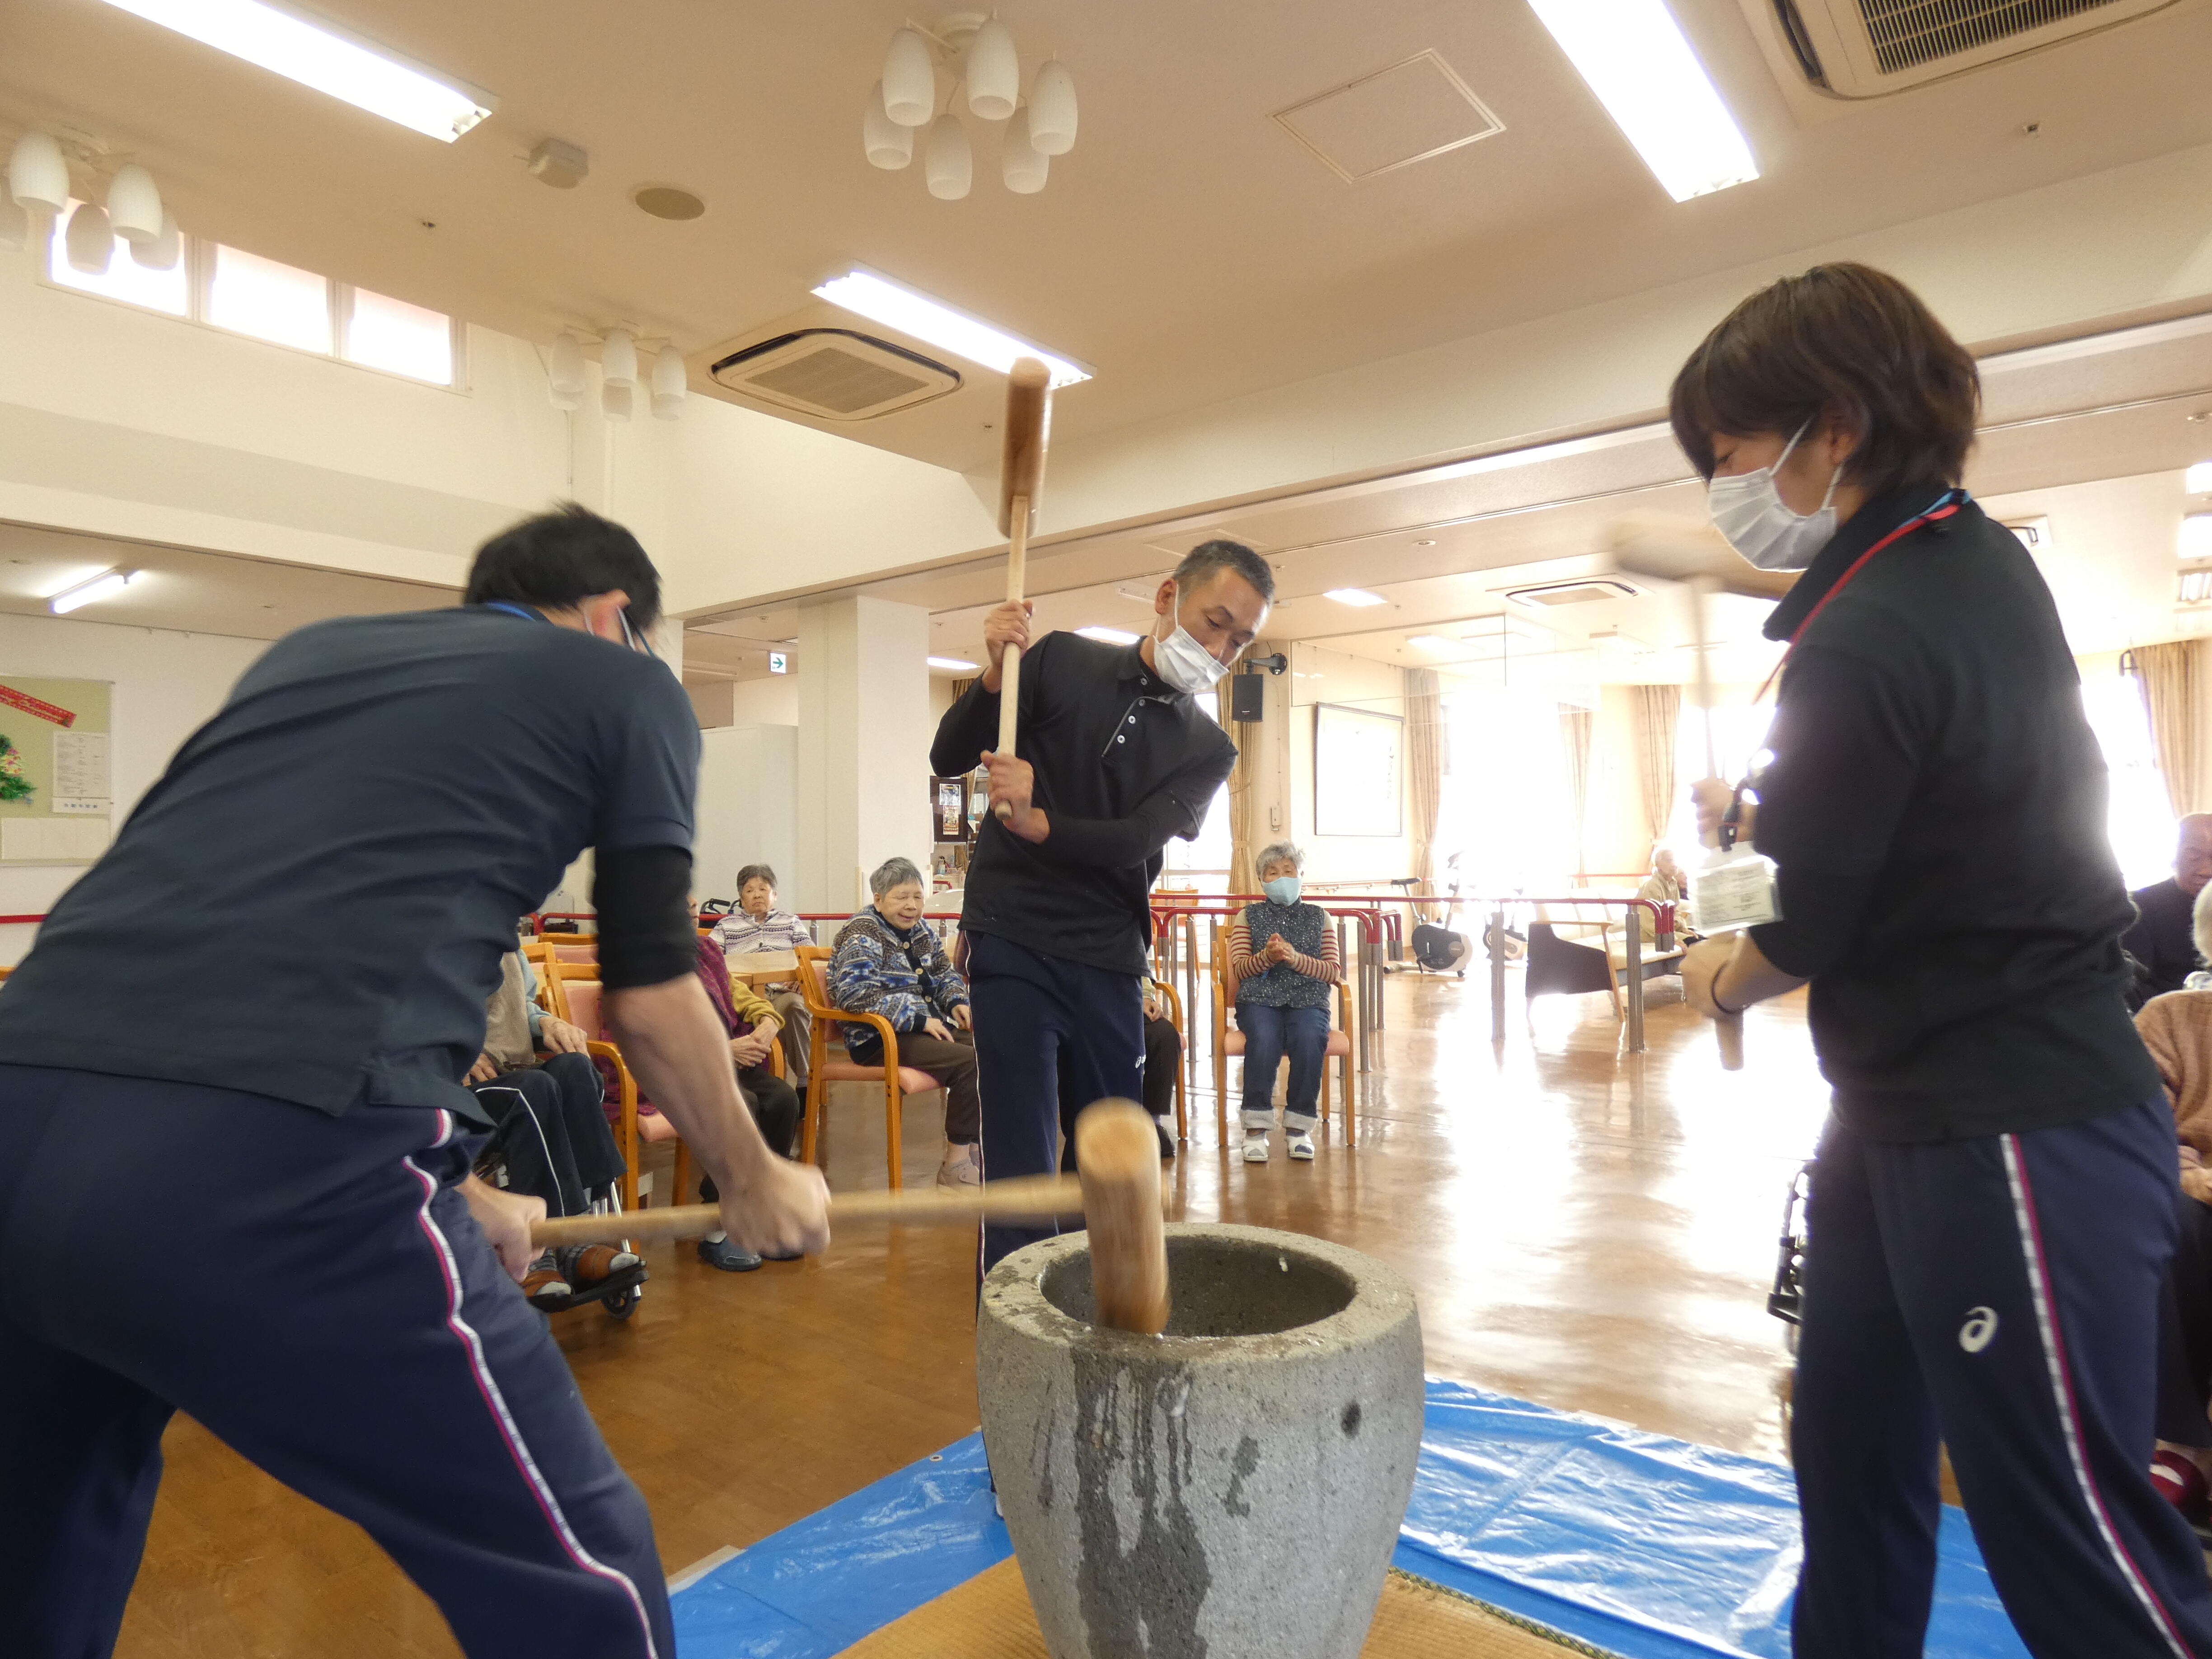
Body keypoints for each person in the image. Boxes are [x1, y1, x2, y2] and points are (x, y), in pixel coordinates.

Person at [0, 503, 830, 1659]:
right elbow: (647, 990)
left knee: (37, 1563)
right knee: (582, 1567)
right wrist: (754, 1171)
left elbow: (224, 945)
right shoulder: (626, 685)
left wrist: (451, 1184)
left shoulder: (310, 655)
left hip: (20, 1113)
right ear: (611, 618)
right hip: (281, 1167)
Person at [1671, 263, 2212, 1656]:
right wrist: (1744, 865)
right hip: (1897, 1117)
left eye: (1729, 455)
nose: (1724, 489)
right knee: (1851, 1455)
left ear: (1831, 428)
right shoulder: (1954, 565)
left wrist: (1708, 973)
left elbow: (1797, 933)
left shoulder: (1882, 619)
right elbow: (1869, 849)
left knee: (2076, 1541)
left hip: (2011, 1125)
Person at [931, 540, 1266, 1273]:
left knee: (1111, 1165)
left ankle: (1106, 1337)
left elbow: (1135, 839)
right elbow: (947, 753)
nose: (1219, 648)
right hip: (1012, 938)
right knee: (1019, 1168)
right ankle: (1018, 1354)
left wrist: (1038, 819)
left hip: (1109, 954)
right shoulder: (1057, 659)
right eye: (1213, 623)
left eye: (1240, 640)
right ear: (1166, 596)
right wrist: (993, 672)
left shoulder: (1208, 746)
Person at [469, 947, 633, 1304]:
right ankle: (541, 1251)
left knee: (576, 1070)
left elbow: (520, 1005)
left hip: (511, 1068)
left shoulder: (503, 929)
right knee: (534, 1090)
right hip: (451, 1083)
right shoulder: (416, 925)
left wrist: (546, 1022)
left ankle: (584, 1233)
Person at [827, 857, 980, 1188]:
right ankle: (955, 1165)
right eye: (901, 898)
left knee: (995, 1049)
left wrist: (957, 1001)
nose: (912, 906)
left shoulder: (921, 930)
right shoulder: (862, 932)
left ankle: (974, 1147)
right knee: (970, 1062)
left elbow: (943, 973)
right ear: (879, 900)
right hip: (877, 1037)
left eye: (917, 897)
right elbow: (855, 996)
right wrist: (917, 1019)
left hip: (923, 1028)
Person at [2135, 881, 2212, 1518]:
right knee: (2164, 1216)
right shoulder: (2169, 1017)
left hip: (2198, 1176)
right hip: (2184, 1193)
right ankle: (2184, 1442)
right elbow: (2139, 1129)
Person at [685, 929, 807, 1272]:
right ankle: (718, 1223)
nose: (692, 905)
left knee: (783, 1099)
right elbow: (652, 1036)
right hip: (681, 1070)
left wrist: (768, 1023)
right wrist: (723, 1049)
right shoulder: (641, 959)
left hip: (724, 1064)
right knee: (744, 1104)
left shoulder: (704, 950)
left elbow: (741, 995)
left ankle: (762, 1207)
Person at [1227, 842, 1343, 1164]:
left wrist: (1295, 958)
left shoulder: (1320, 917)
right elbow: (1239, 969)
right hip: (1259, 1001)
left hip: (1308, 1001)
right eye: (1272, 873)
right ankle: (1255, 1129)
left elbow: (1333, 971)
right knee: (1264, 1037)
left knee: (1309, 1038)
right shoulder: (1248, 916)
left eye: (1289, 872)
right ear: (1262, 881)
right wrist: (1266, 957)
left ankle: (1299, 1128)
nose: (1281, 878)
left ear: (1301, 875)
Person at [709, 863, 815, 1087]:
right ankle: (757, 1084)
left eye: (763, 889)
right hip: (742, 996)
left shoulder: (791, 922)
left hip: (782, 991)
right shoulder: (726, 926)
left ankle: (805, 1081)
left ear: (774, 895)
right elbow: (712, 961)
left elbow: (809, 957)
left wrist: (800, 976)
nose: (757, 894)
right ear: (741, 898)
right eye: (749, 890)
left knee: (795, 1007)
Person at [2126, 815, 2212, 1003]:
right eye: (2193, 856)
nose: (2205, 870)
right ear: (2175, 856)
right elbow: (2134, 985)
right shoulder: (2140, 907)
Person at [1141, 976, 1182, 1158]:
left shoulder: (1134, 946)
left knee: (1165, 1035)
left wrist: (1147, 998)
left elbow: (1139, 967)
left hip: (1131, 1001)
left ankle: (1152, 1120)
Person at [1635, 848, 1688, 944]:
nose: (1674, 865)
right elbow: (1649, 923)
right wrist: (1673, 939)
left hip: (1666, 931)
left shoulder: (1673, 883)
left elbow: (1675, 911)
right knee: (1693, 943)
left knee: (1700, 938)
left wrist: (1683, 928)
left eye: (1675, 861)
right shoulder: (1652, 886)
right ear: (1658, 865)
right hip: (1649, 934)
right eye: (1669, 861)